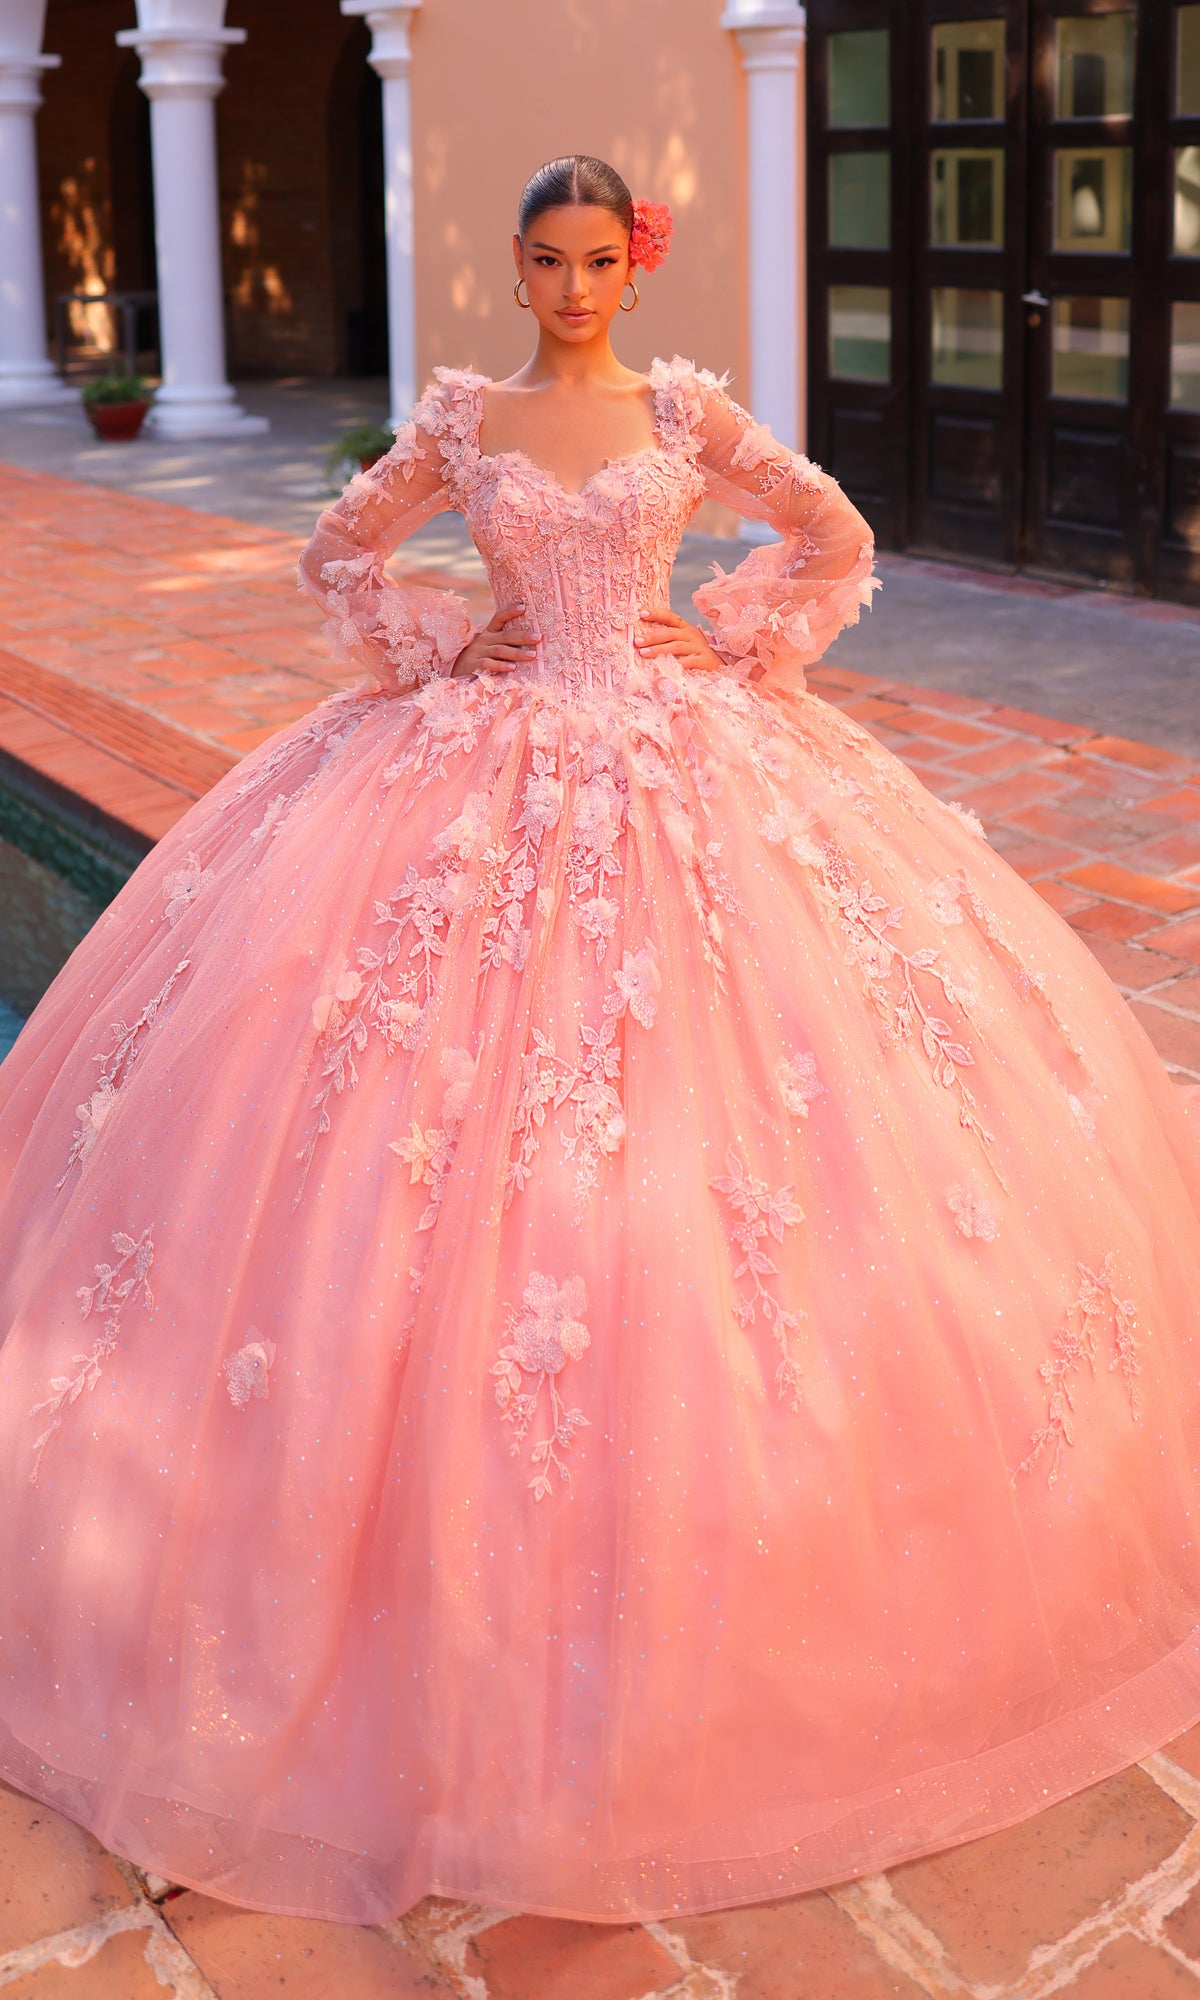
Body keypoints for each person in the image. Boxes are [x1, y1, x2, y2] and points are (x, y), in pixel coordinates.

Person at [0, 152, 1199, 1930]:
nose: (573, 287)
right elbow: (339, 545)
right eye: (545, 259)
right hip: (474, 762)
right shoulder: (467, 417)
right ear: (514, 267)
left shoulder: (684, 412)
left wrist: (739, 645)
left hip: (673, 749)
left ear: (633, 270)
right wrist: (431, 644)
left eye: (597, 261)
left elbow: (834, 533)